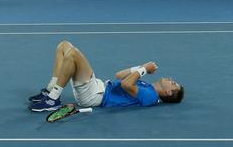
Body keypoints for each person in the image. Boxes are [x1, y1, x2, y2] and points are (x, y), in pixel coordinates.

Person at [28, 41, 183, 112]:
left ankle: (52, 100)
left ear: (168, 92)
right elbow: (119, 75)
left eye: (173, 83)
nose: (171, 79)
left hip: (96, 96)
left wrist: (143, 70)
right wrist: (142, 68)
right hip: (97, 87)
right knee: (64, 46)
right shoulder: (147, 87)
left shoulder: (150, 96)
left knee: (73, 54)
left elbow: (126, 85)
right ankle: (50, 91)